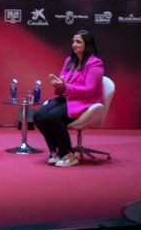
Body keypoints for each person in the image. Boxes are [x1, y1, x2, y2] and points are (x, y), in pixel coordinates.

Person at [35, 30, 105, 168]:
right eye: (73, 41)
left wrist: (66, 86)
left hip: (85, 101)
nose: (74, 44)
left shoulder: (95, 64)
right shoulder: (69, 61)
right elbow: (63, 82)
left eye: (78, 42)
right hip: (68, 98)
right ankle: (55, 150)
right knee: (38, 115)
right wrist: (58, 84)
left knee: (53, 116)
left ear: (87, 45)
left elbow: (90, 91)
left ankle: (68, 154)